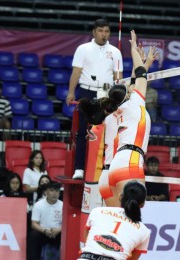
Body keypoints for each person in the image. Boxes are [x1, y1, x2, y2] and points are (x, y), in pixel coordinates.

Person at [79, 31, 158, 207]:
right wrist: (134, 51)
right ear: (127, 96)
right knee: (133, 214)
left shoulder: (110, 115)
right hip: (128, 162)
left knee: (116, 221)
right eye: (129, 90)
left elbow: (134, 81)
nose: (131, 89)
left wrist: (144, 62)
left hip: (109, 172)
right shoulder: (134, 104)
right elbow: (139, 76)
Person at [66, 18, 123, 179]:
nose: (103, 34)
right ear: (94, 32)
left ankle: (107, 167)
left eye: (106, 31)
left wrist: (118, 96)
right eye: (100, 31)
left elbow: (118, 77)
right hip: (86, 92)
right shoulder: (83, 49)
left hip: (106, 94)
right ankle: (79, 169)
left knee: (109, 132)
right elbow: (76, 72)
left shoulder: (115, 52)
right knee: (83, 131)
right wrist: (71, 92)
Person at [79, 181, 150, 260]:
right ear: (143, 205)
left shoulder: (96, 211)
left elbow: (87, 241)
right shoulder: (144, 231)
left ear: (120, 197)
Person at [29, 181, 63, 260]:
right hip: (43, 232)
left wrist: (59, 229)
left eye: (57, 191)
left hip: (57, 232)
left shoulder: (63, 205)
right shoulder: (38, 205)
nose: (54, 193)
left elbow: (67, 224)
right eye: (51, 190)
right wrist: (44, 231)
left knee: (67, 235)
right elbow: (34, 224)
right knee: (33, 235)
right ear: (46, 192)